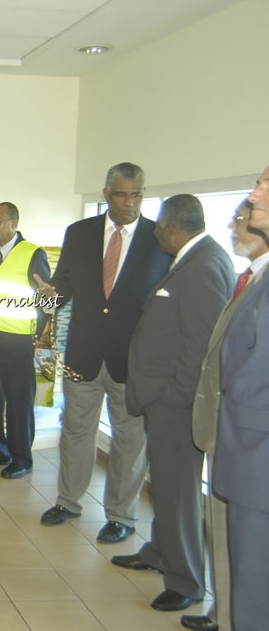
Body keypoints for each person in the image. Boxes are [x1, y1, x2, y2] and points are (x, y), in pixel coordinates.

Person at [34, 162, 172, 543]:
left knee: (130, 438)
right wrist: (51, 295)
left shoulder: (158, 238)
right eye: (122, 194)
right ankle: (68, 501)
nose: (129, 203)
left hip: (132, 360)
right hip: (84, 352)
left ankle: (121, 516)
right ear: (107, 194)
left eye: (137, 195)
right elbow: (64, 284)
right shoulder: (79, 233)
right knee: (76, 430)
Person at [111, 195, 234, 613]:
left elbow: (202, 345)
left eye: (158, 225)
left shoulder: (203, 265)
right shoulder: (191, 258)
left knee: (178, 494)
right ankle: (159, 553)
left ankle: (186, 583)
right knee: (164, 487)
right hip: (164, 402)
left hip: (176, 407)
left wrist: (174, 399)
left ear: (172, 228)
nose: (155, 232)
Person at [184, 200, 269, 631]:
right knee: (223, 535)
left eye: (242, 219)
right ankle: (223, 611)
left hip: (248, 440)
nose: (235, 227)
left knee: (246, 548)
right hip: (226, 431)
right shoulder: (248, 279)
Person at [213, 165, 269, 631]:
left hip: (257, 457)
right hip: (243, 452)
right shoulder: (253, 279)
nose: (254, 193)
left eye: (266, 184)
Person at [0, 202, 50, 479]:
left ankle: (21, 458)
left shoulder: (32, 253)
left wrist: (36, 337)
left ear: (14, 223)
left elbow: (45, 300)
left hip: (17, 342)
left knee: (18, 403)